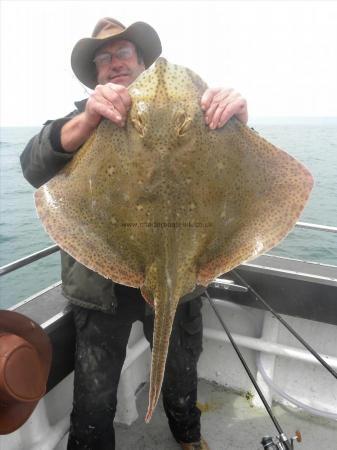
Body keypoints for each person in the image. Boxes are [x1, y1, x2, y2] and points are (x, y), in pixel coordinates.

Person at [20, 17, 248, 450]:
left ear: (143, 62)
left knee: (182, 371)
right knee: (94, 395)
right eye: (102, 59)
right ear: (95, 78)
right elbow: (33, 166)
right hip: (100, 281)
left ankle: (188, 435)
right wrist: (87, 119)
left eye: (122, 52)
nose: (113, 63)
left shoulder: (201, 115)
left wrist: (236, 119)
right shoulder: (82, 121)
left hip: (178, 274)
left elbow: (247, 176)